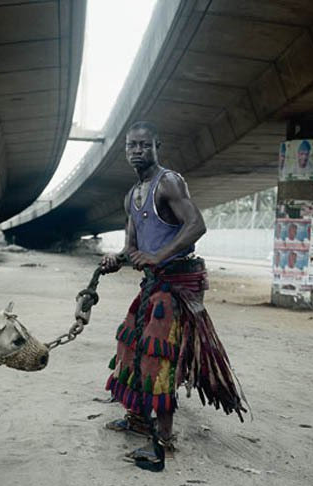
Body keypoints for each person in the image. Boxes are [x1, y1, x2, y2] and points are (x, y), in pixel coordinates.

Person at [100, 121, 245, 464]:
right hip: (153, 284)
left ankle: (162, 440)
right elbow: (133, 249)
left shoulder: (168, 182)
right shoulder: (131, 196)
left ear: (156, 146)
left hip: (175, 287)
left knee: (157, 357)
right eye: (131, 145)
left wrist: (157, 257)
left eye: (143, 145)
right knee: (129, 343)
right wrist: (114, 261)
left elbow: (197, 225)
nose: (137, 151)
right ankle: (137, 418)